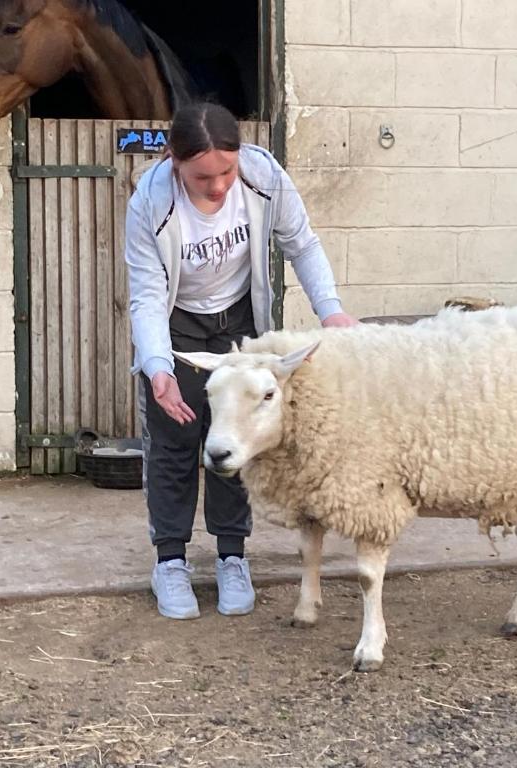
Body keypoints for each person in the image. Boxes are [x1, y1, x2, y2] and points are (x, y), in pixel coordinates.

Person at [124, 101, 356, 620]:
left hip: (240, 321)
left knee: (236, 437)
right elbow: (146, 293)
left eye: (226, 171)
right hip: (177, 324)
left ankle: (232, 556)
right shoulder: (150, 203)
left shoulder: (263, 176)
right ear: (175, 162)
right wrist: (158, 367)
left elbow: (303, 245)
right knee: (174, 441)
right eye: (202, 177)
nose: (218, 186)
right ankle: (170, 562)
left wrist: (331, 310)